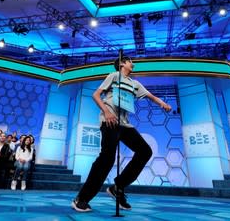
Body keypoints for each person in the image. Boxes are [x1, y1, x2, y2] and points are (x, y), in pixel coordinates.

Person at [71, 56, 171, 212]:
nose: (133, 64)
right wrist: (106, 111)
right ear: (123, 63)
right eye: (131, 61)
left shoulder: (134, 84)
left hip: (124, 124)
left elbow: (150, 96)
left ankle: (118, 187)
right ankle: (81, 199)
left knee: (145, 151)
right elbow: (96, 95)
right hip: (110, 121)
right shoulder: (113, 76)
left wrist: (162, 103)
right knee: (107, 159)